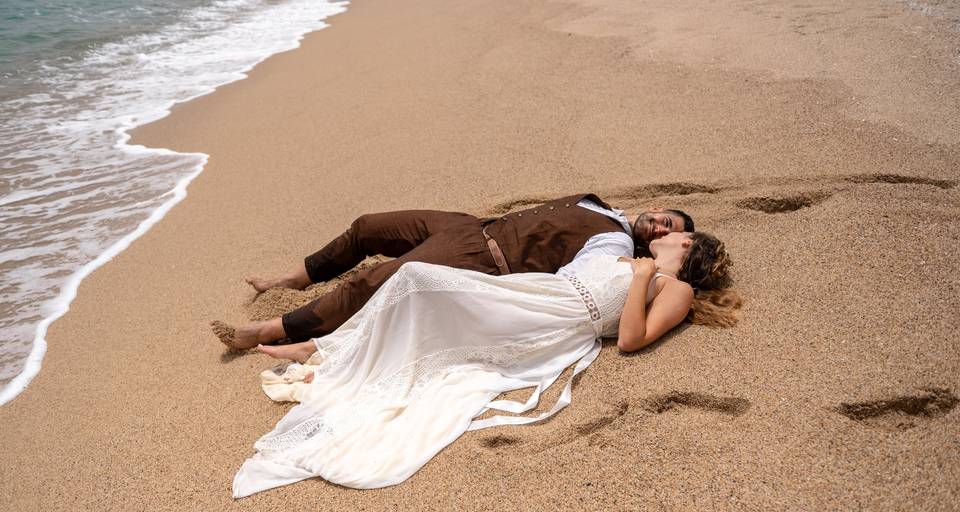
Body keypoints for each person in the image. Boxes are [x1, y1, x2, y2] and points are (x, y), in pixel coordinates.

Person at [232, 230, 738, 498]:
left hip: (552, 322)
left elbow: (630, 339)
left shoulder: (678, 288)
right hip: (538, 294)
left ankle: (324, 354)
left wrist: (641, 278)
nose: (668, 233)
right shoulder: (633, 258)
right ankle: (326, 352)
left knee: (419, 285)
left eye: (677, 234)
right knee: (416, 287)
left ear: (686, 247)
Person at [212, 194, 694, 349]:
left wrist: (645, 277)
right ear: (654, 210)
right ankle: (293, 277)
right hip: (469, 227)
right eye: (664, 219)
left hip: (481, 259)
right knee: (367, 228)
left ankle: (270, 331)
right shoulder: (598, 203)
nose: (657, 229)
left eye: (666, 233)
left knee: (374, 280)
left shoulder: (613, 243)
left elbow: (580, 287)